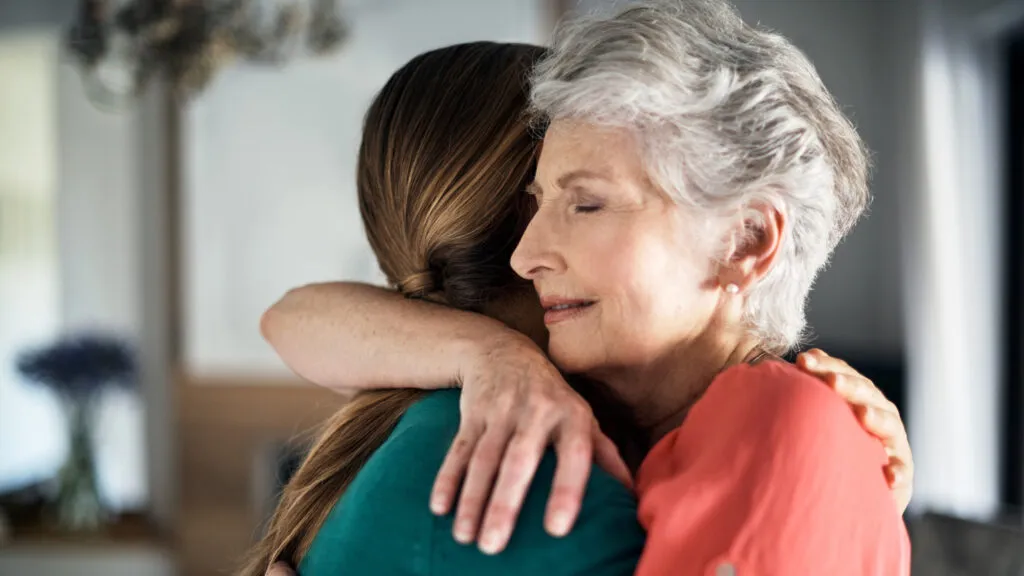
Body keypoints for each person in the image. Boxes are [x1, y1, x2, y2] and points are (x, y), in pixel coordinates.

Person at [258, 1, 912, 574]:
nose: (527, 254)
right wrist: (492, 355)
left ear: (745, 242)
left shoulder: (786, 428)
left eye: (588, 204)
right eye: (537, 203)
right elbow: (291, 319)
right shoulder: (599, 432)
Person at [242, 41, 645, 576]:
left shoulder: (394, 420)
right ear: (537, 206)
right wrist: (495, 353)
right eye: (586, 200)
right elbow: (284, 318)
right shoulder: (559, 499)